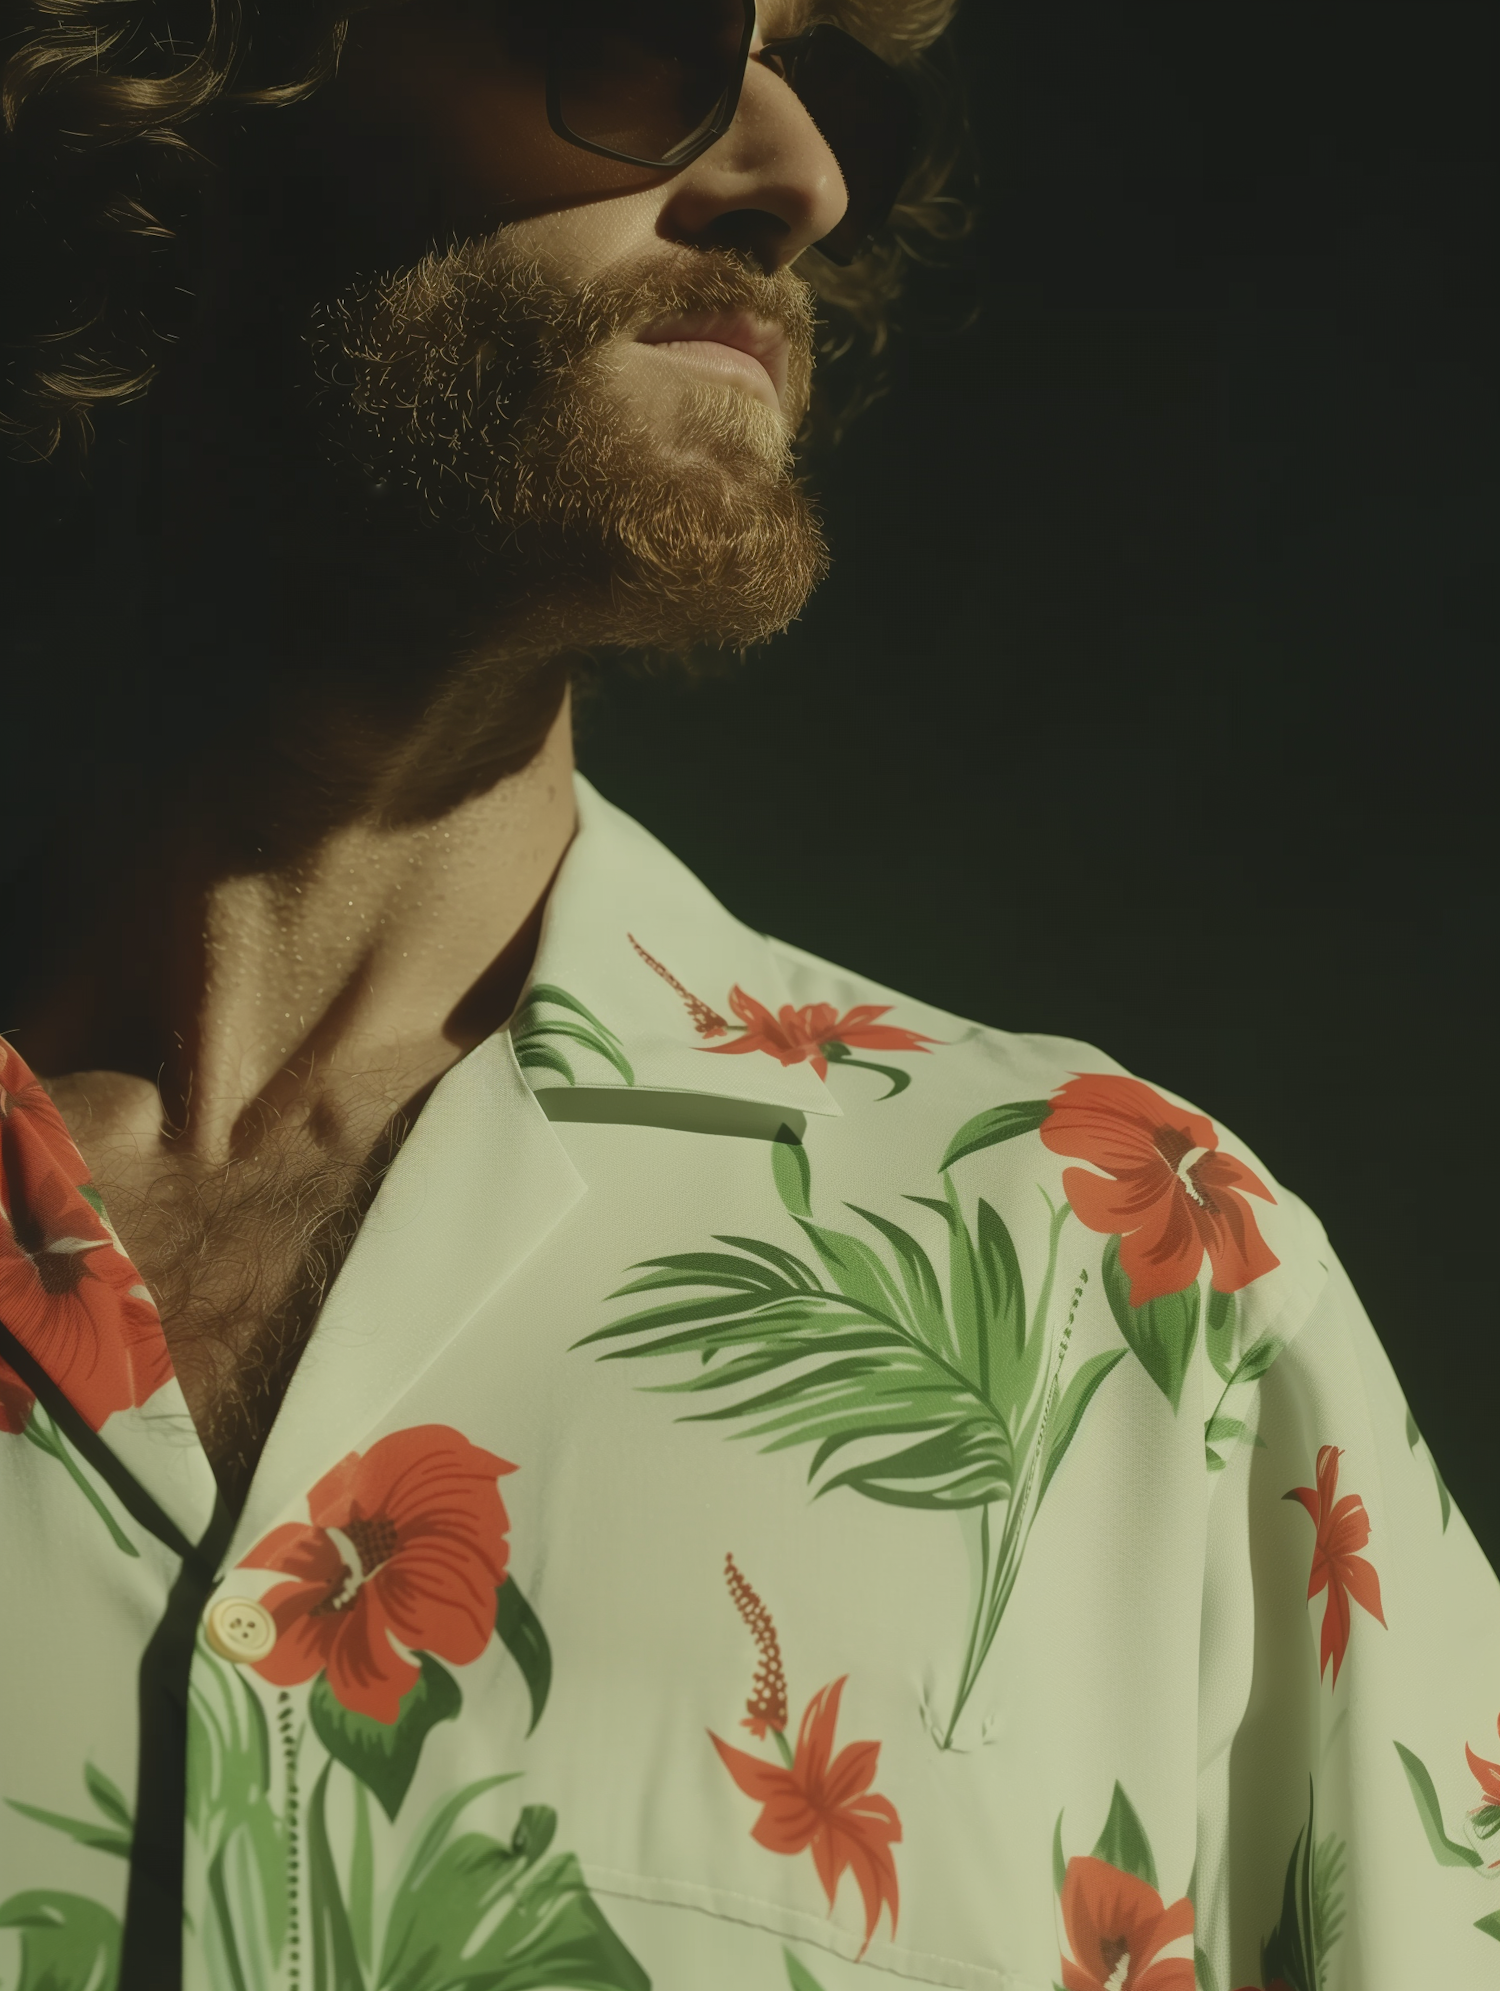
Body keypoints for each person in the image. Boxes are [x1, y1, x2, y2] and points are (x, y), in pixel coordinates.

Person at [0, 4, 1496, 1987]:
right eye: (641, 35)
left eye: (843, 84)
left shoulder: (1132, 1291)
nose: (803, 177)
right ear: (167, 78)